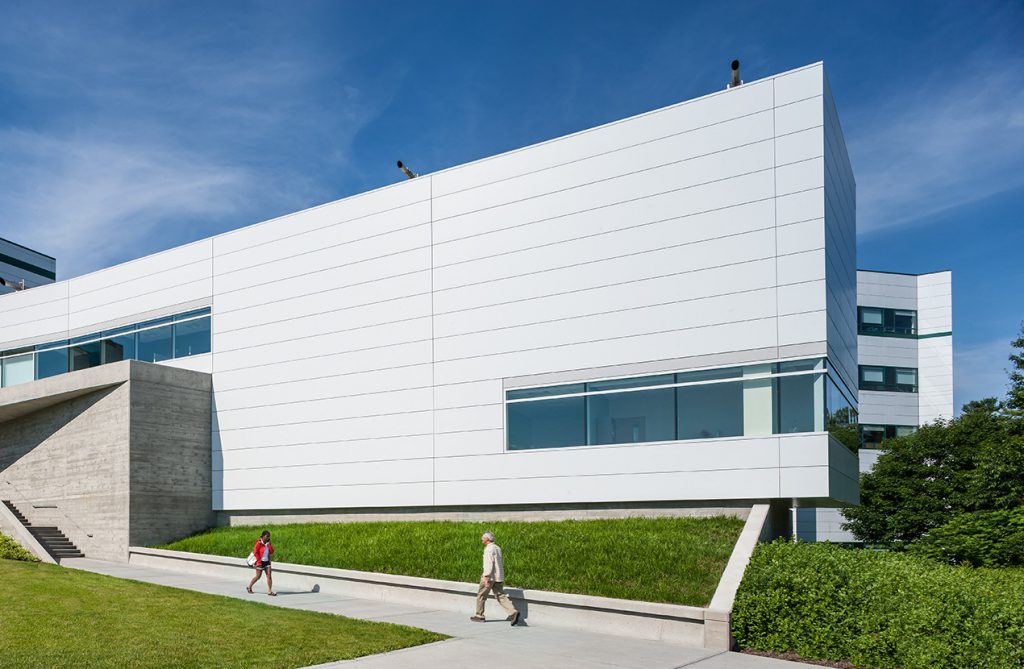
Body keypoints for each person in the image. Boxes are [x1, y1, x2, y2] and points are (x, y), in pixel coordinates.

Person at [470, 531, 520, 625]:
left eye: (483, 538)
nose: (481, 539)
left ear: (487, 539)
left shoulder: (489, 549)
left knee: (481, 595)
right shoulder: (497, 548)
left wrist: (486, 576)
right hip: (498, 576)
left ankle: (479, 615)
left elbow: (489, 563)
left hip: (490, 577)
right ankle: (513, 612)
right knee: (500, 595)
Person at [247, 530, 276, 596]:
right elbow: (255, 552)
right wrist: (259, 561)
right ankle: (249, 587)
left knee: (269, 576)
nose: (268, 537)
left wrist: (269, 545)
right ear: (263, 536)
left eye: (269, 536)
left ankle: (269, 591)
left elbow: (272, 551)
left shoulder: (268, 543)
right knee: (258, 577)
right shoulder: (258, 543)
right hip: (260, 562)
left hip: (267, 562)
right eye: (267, 536)